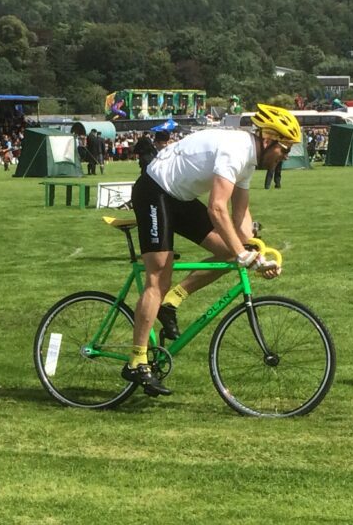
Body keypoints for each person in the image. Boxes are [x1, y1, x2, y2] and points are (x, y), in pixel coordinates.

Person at [125, 104, 296, 396]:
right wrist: (244, 254)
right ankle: (137, 360)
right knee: (159, 277)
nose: (286, 157)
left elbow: (241, 218)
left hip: (177, 197)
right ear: (268, 140)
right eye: (285, 149)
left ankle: (172, 302)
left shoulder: (249, 161)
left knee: (230, 252)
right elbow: (217, 208)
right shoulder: (236, 150)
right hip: (154, 191)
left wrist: (258, 254)